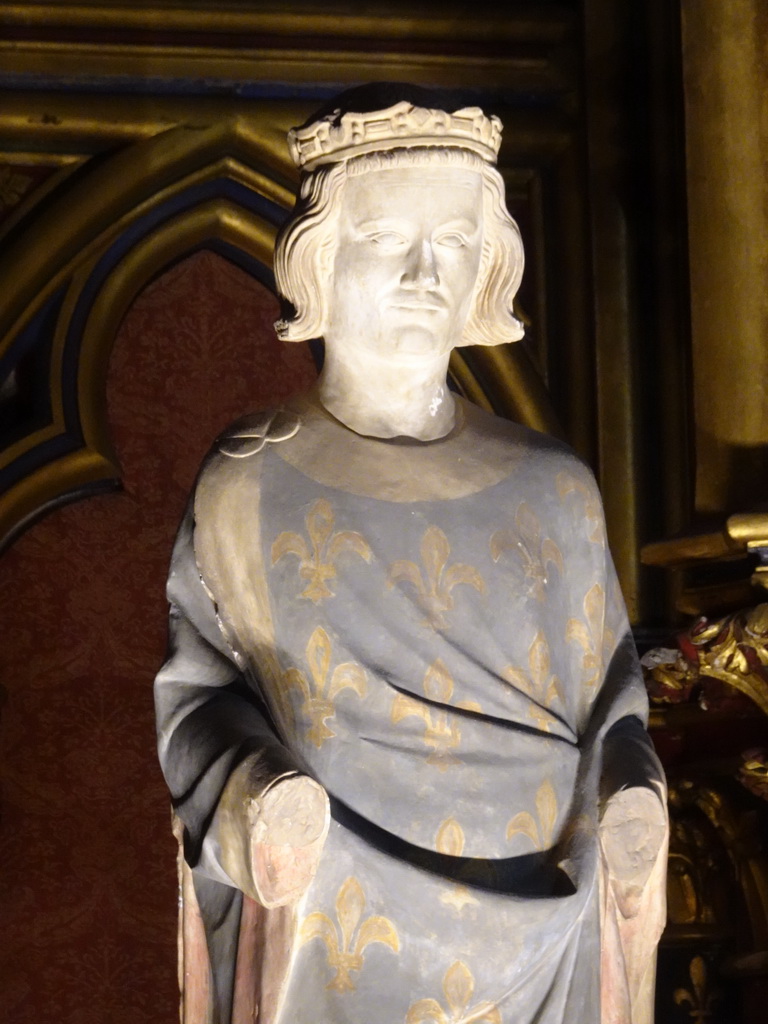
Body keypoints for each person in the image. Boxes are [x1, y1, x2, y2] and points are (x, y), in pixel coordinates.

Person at [155, 84, 668, 1024]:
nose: (425, 274)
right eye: (389, 240)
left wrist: (633, 795)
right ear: (320, 261)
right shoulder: (250, 484)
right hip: (337, 927)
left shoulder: (554, 490)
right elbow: (198, 702)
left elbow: (613, 705)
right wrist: (258, 801)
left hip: (547, 929)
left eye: (455, 245)